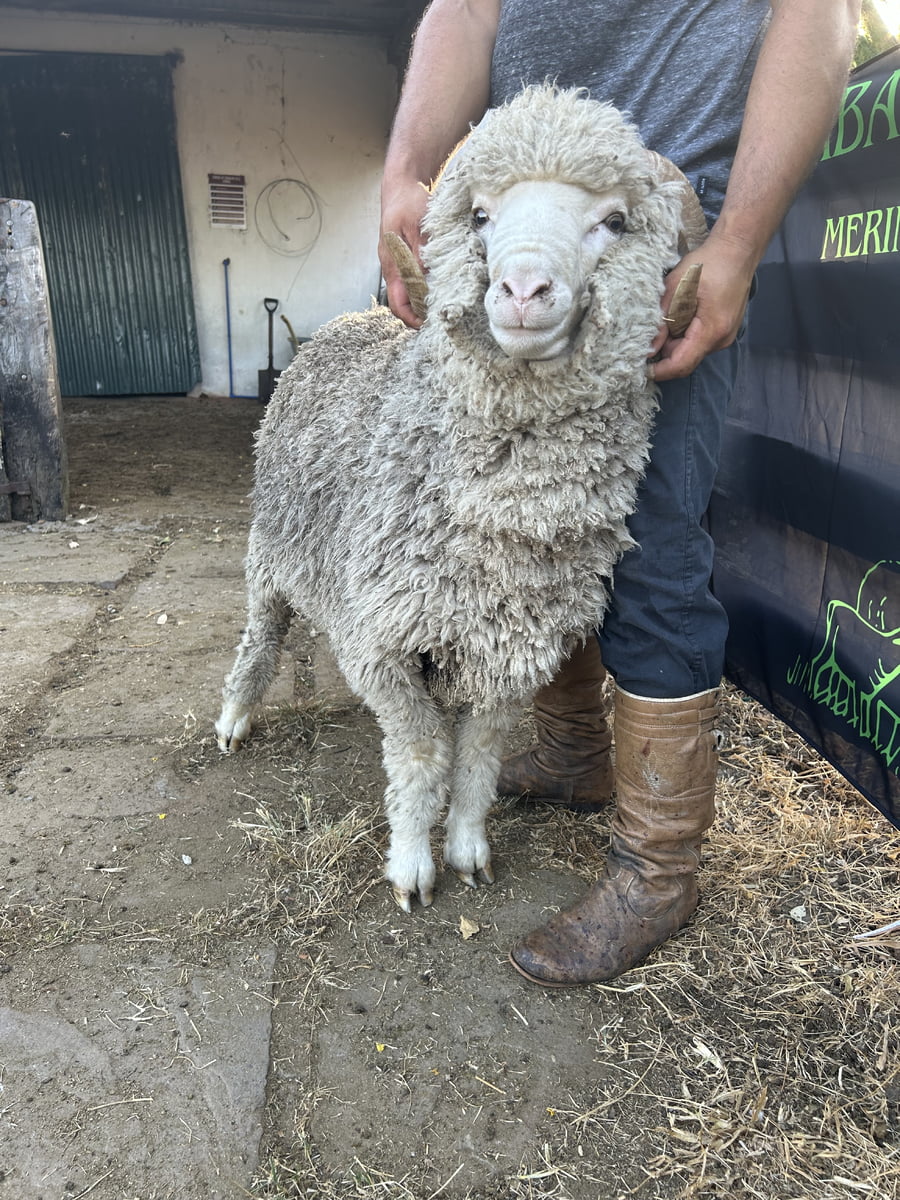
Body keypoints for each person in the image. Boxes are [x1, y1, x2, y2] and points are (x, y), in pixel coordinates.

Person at [378, 0, 861, 987]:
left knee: (645, 543)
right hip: (519, 229)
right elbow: (465, 6)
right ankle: (574, 752)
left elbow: (820, 13)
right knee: (536, 522)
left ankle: (657, 870)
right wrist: (406, 174)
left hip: (653, 241)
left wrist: (732, 248)